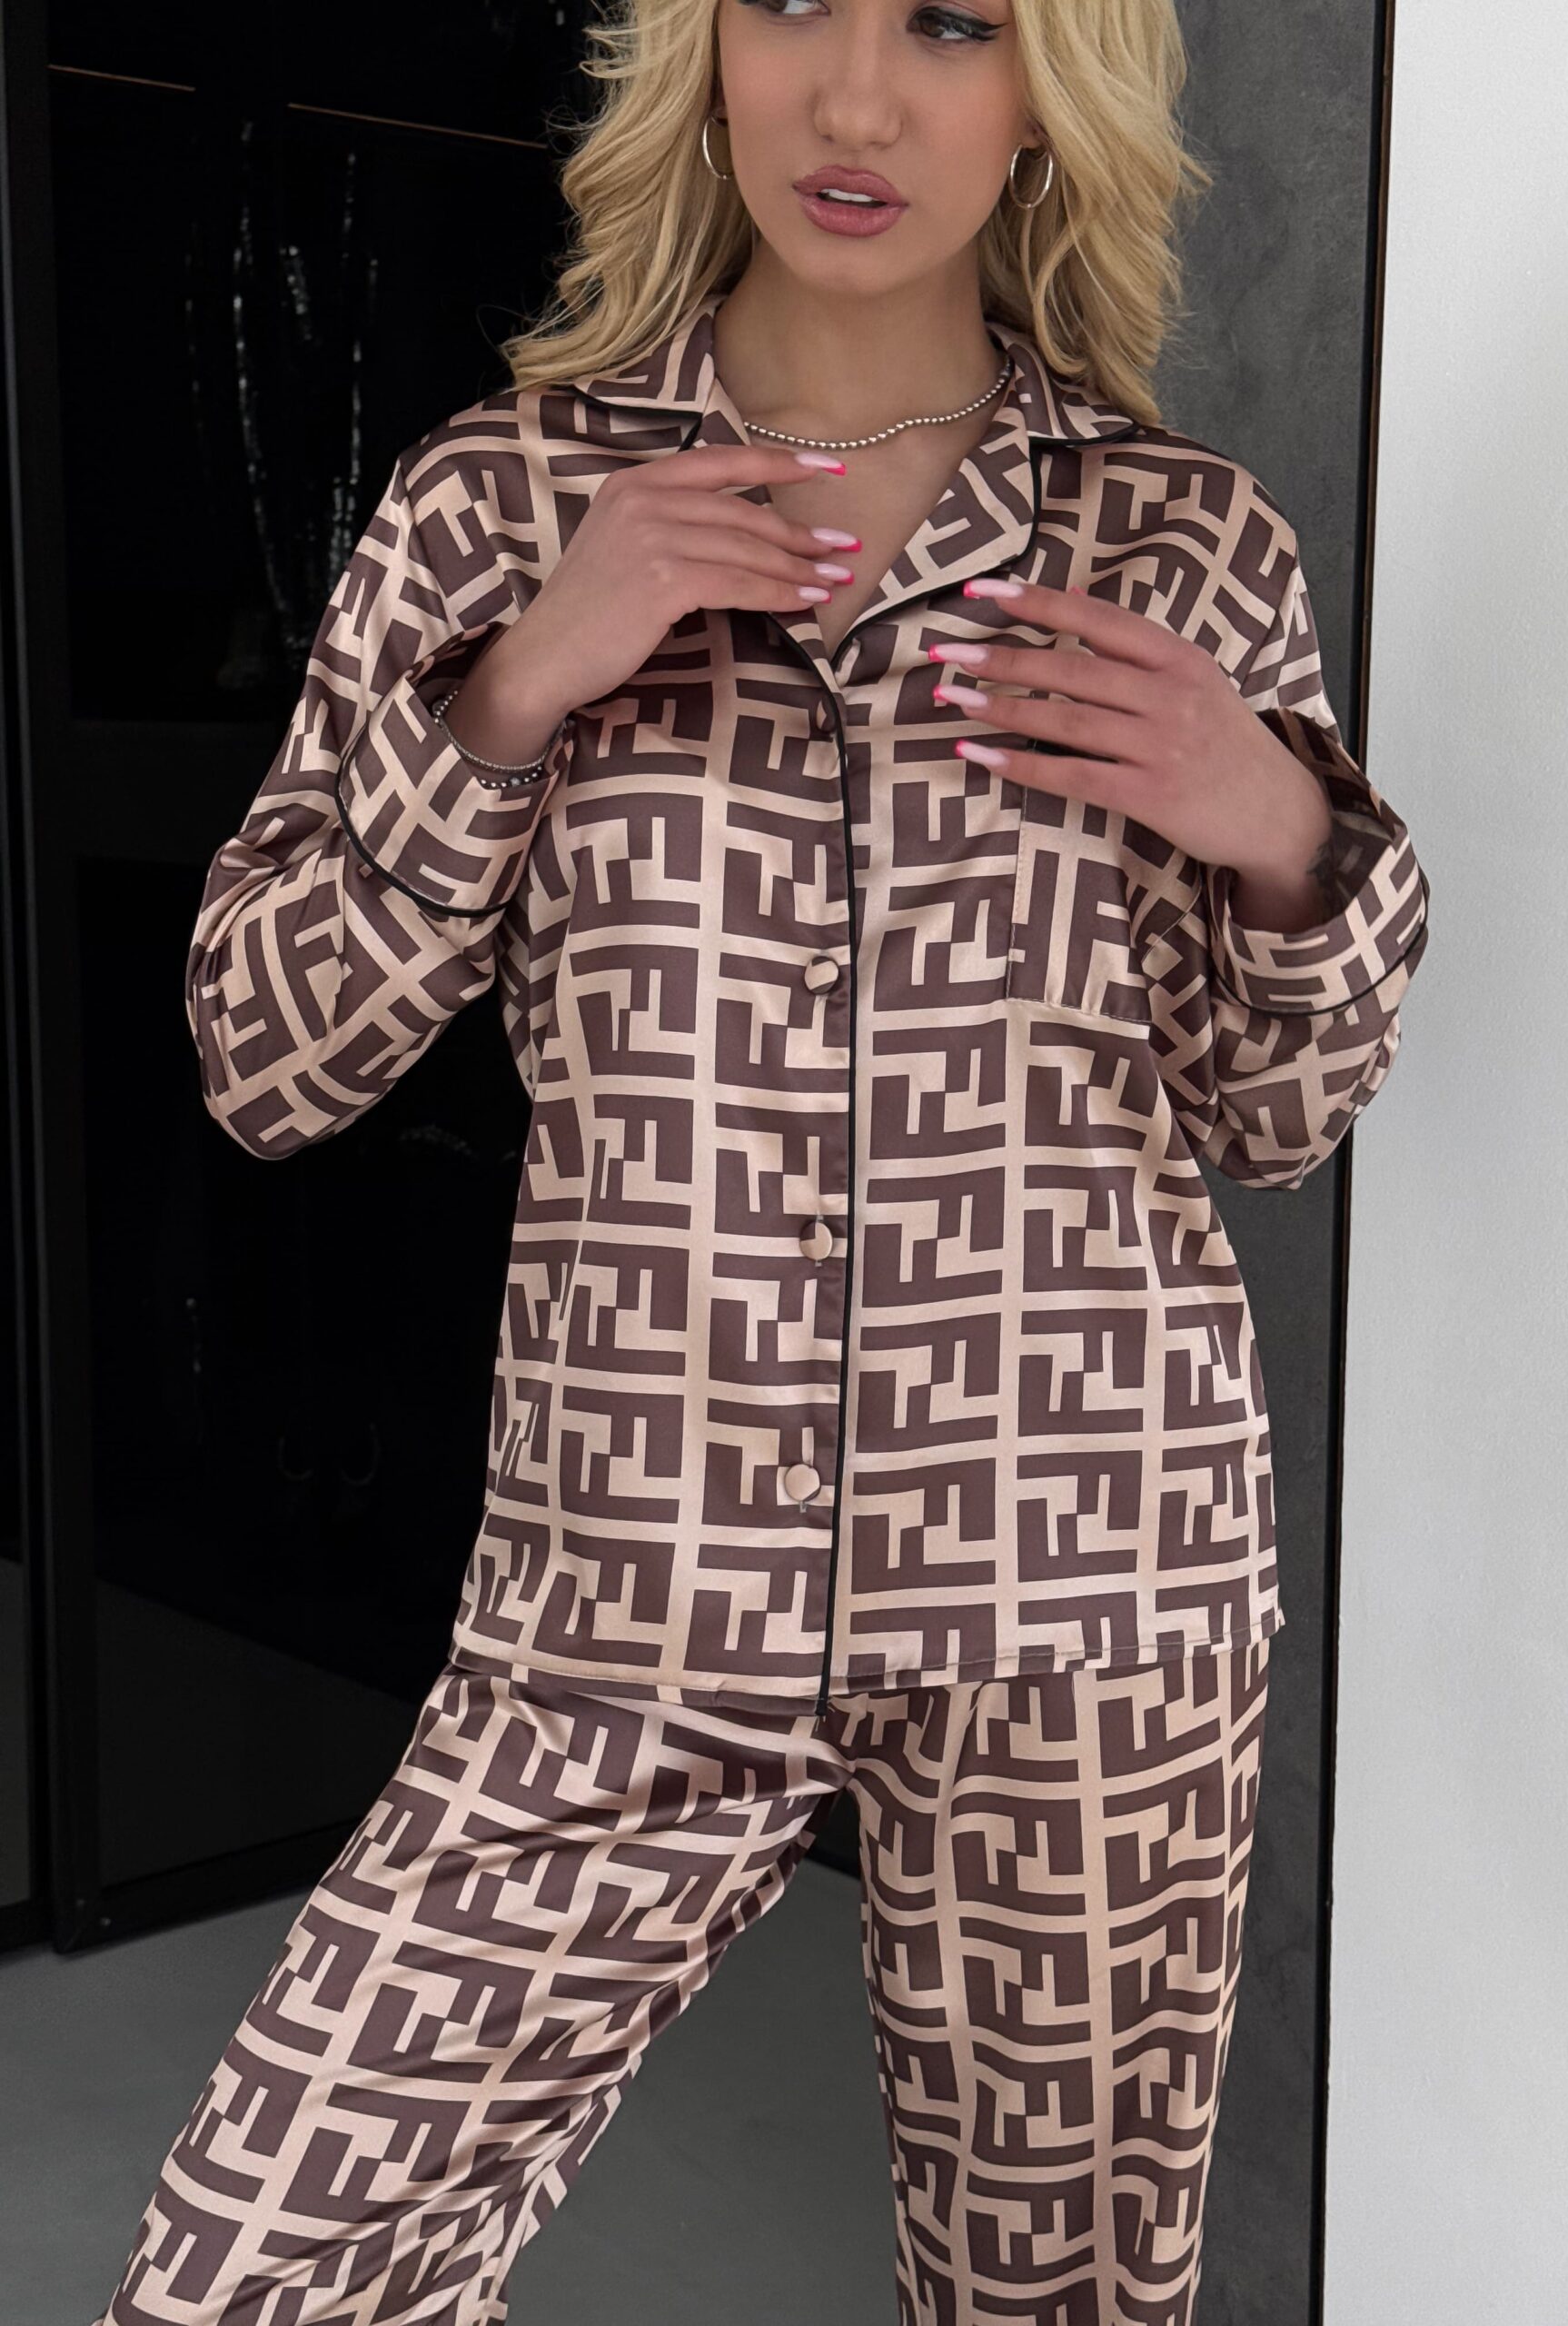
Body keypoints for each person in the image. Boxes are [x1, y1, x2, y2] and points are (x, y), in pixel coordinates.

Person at [94, 1, 1430, 2319]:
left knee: (1060, 2295)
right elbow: (263, 1056)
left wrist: (1284, 831)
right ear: (701, 46)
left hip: (1084, 1586)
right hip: (625, 1587)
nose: (857, 96)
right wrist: (515, 689)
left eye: (953, 22)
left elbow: (1278, 1113)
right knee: (259, 2267)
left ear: (1050, 91)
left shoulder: (1178, 540)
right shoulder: (499, 504)